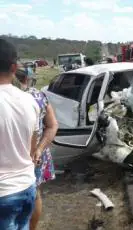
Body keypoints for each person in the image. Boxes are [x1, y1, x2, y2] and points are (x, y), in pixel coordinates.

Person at [0, 39, 40, 229]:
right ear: (14, 67)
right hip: (27, 187)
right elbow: (32, 148)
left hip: (3, 194)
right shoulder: (29, 100)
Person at [15, 68, 58, 230]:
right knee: (34, 194)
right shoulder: (38, 96)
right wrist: (39, 148)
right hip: (36, 156)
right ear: (26, 79)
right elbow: (52, 125)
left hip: (12, 156)